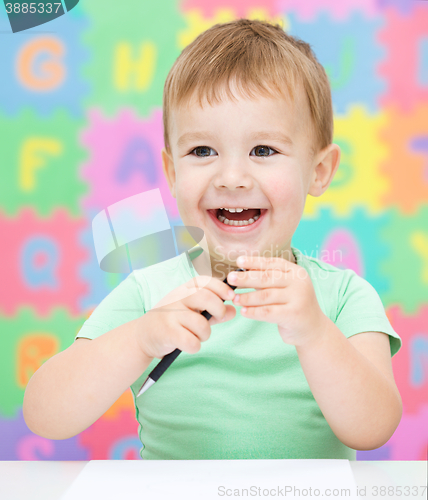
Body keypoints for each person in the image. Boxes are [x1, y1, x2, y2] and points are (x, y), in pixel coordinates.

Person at [23, 18, 402, 460]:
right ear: (171, 172)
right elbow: (45, 415)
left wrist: (315, 332)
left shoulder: (343, 297)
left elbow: (373, 429)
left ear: (318, 172)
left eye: (264, 150)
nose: (232, 178)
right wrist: (141, 339)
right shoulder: (150, 295)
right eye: (202, 151)